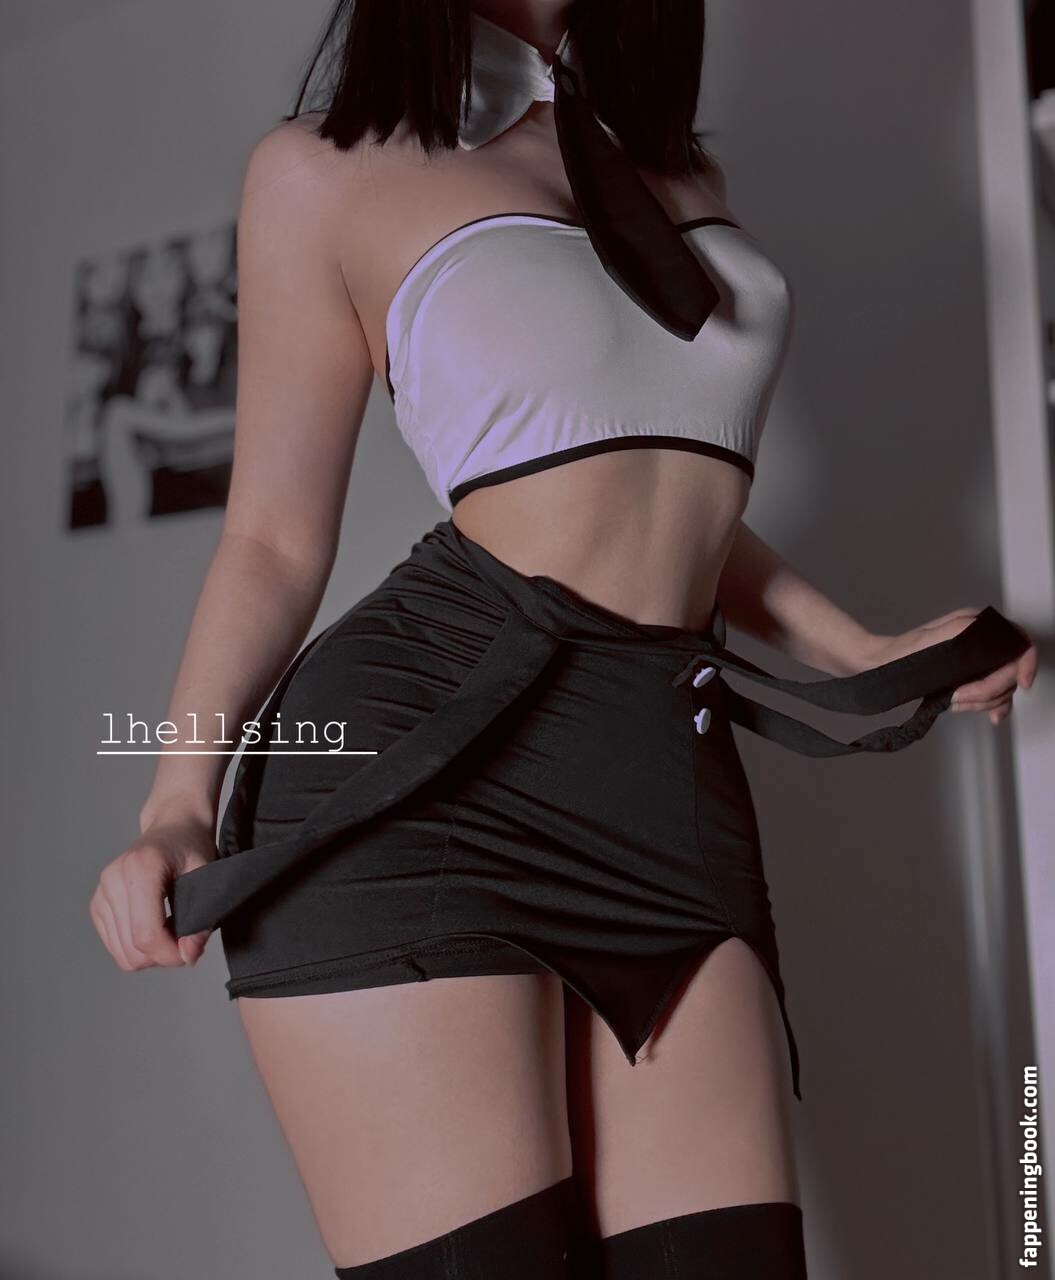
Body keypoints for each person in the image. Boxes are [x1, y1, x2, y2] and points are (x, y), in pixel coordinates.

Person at [88, 1, 1037, 1276]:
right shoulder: (320, 171)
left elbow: (664, 486)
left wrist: (855, 645)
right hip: (422, 772)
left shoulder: (677, 171)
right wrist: (173, 800)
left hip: (663, 783)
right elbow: (269, 539)